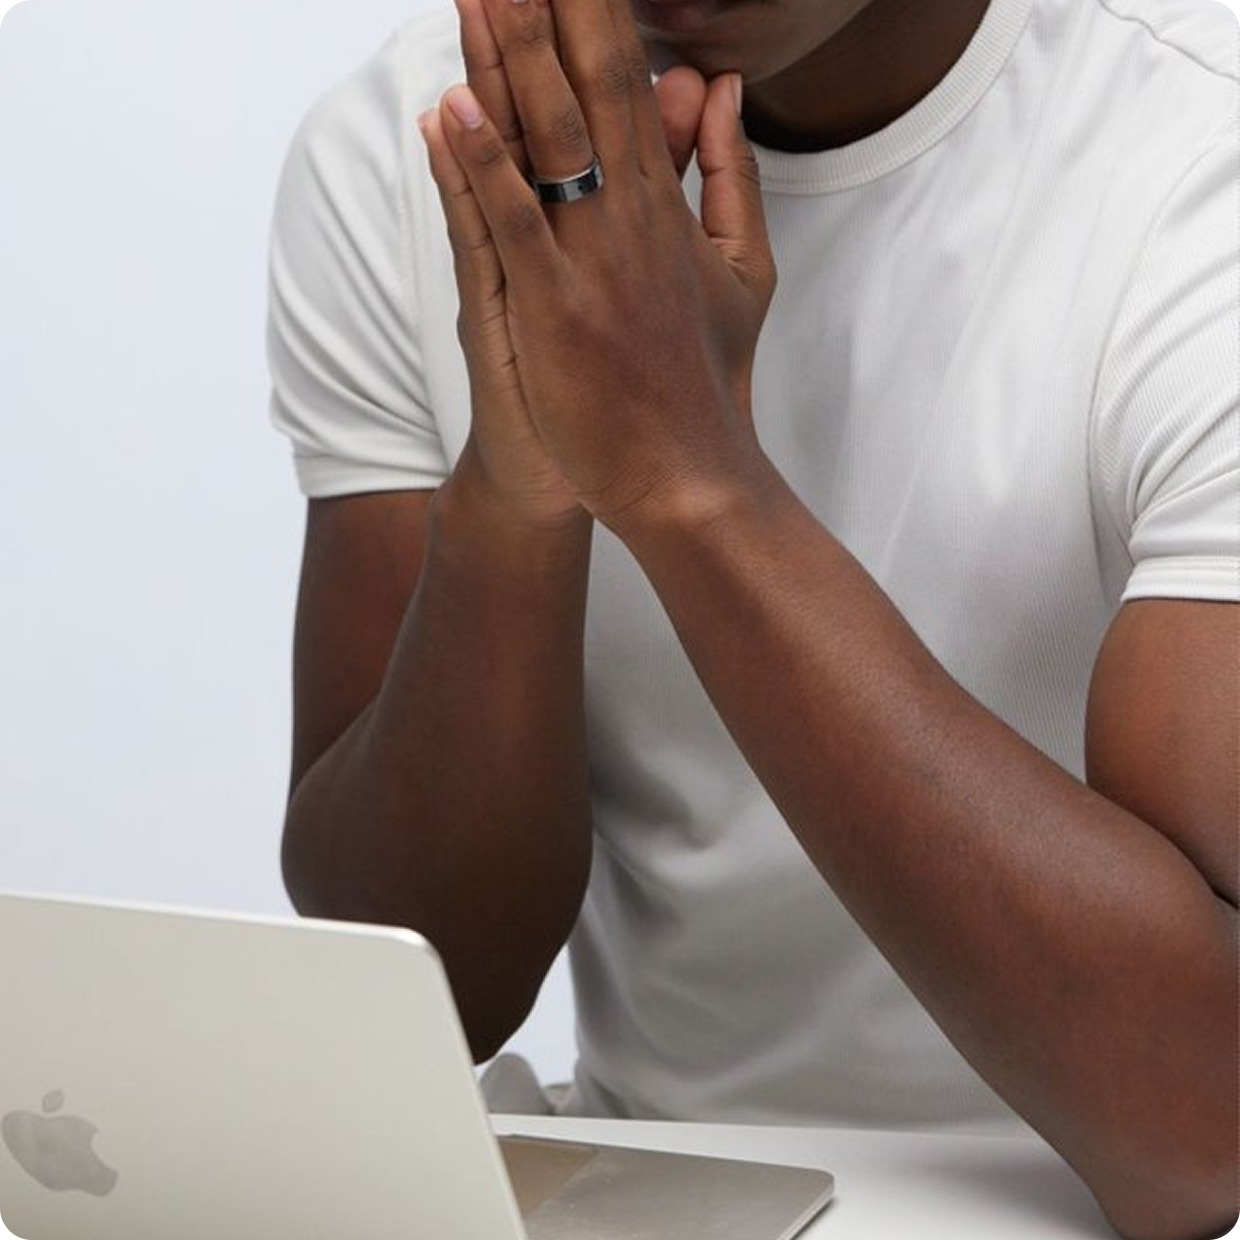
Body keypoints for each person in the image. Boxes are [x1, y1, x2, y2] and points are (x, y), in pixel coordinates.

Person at [265, 0, 1238, 1233]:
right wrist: (514, 505)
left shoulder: (1195, 151)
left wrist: (691, 481)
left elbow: (1200, 1130)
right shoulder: (413, 142)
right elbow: (411, 995)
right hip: (651, 1193)